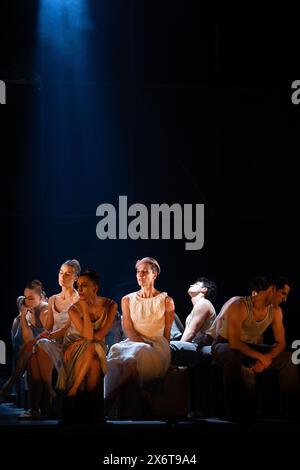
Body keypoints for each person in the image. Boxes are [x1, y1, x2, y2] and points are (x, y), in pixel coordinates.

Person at [211, 274, 300, 421]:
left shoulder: (276, 311)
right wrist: (261, 357)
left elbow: (281, 342)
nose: (285, 299)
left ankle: (292, 413)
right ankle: (236, 413)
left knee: (288, 358)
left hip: (248, 347)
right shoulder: (240, 305)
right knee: (235, 354)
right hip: (224, 345)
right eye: (283, 293)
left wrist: (267, 358)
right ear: (272, 289)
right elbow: (234, 342)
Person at [104, 257, 175, 415]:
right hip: (135, 343)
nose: (140, 275)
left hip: (156, 347)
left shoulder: (166, 301)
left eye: (145, 272)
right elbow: (128, 329)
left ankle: (107, 402)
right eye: (138, 272)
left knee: (136, 354)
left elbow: (167, 334)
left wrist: (168, 357)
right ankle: (122, 404)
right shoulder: (127, 300)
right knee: (116, 358)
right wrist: (142, 342)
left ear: (154, 275)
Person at [56, 269, 117, 421]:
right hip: (74, 344)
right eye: (78, 285)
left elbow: (98, 336)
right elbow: (89, 336)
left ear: (95, 288)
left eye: (84, 285)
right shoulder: (73, 309)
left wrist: (79, 342)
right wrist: (83, 307)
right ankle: (93, 412)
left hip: (91, 344)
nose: (80, 289)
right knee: (94, 361)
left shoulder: (110, 305)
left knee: (92, 350)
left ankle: (74, 393)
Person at [31, 259, 81, 415]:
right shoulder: (53, 299)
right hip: (55, 341)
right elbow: (49, 328)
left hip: (72, 343)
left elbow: (69, 329)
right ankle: (45, 395)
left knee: (41, 346)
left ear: (76, 278)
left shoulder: (79, 299)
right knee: (35, 348)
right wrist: (39, 337)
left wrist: (49, 336)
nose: (63, 276)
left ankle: (42, 402)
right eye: (61, 272)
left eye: (68, 274)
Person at [0, 280, 48, 412]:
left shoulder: (45, 310)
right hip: (34, 347)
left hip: (52, 344)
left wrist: (32, 341)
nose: (27, 301)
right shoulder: (28, 312)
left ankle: (8, 385)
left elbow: (50, 335)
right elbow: (27, 340)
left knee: (29, 351)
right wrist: (22, 316)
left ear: (41, 297)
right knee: (29, 354)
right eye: (26, 298)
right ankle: (33, 407)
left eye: (31, 298)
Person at [170, 277, 217, 367]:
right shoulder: (197, 306)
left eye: (196, 284)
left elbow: (191, 333)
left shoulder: (204, 303)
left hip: (200, 346)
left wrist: (177, 348)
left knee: (169, 348)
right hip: (192, 343)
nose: (191, 285)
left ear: (204, 289)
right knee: (171, 314)